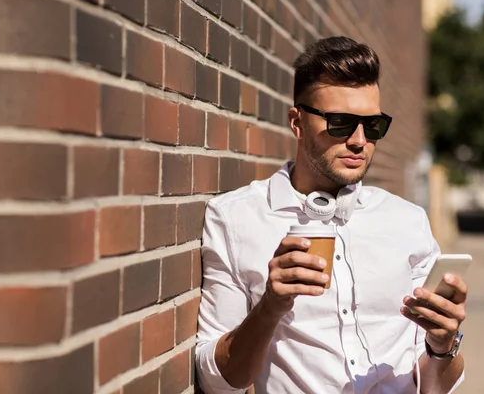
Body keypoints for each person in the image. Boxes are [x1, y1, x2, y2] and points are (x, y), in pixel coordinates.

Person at [195, 36, 468, 394]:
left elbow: (434, 386)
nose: (359, 140)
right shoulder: (235, 218)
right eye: (340, 122)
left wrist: (444, 346)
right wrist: (269, 308)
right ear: (297, 122)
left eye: (373, 126)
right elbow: (217, 383)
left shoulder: (407, 222)